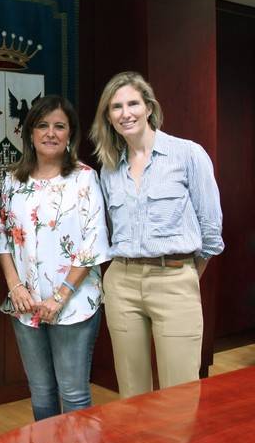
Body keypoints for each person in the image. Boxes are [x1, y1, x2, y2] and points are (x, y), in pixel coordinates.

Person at [90, 71, 224, 398]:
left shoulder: (188, 154)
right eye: (116, 107)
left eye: (133, 103)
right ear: (108, 116)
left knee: (180, 393)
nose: (126, 113)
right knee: (132, 395)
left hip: (174, 279)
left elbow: (211, 229)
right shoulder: (109, 167)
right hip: (121, 281)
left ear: (148, 107)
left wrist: (186, 271)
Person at [0, 95, 109, 421]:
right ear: (30, 133)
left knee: (73, 392)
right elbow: (0, 236)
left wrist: (61, 296)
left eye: (60, 126)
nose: (50, 133)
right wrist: (15, 288)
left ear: (70, 133)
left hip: (73, 304)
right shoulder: (14, 180)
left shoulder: (84, 178)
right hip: (26, 304)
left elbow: (93, 243)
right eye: (42, 125)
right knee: (40, 391)